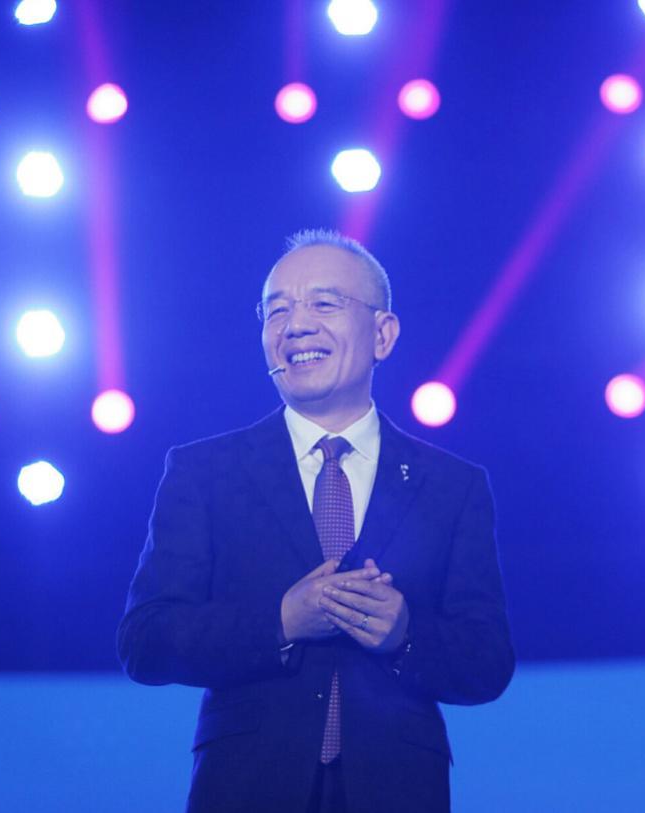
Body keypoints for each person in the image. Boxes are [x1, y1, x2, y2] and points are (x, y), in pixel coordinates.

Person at [117, 229, 515, 813]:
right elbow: (145, 641)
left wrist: (405, 634)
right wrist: (280, 621)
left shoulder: (452, 486)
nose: (295, 326)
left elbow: (487, 662)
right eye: (276, 311)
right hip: (245, 790)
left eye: (324, 303)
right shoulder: (204, 472)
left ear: (383, 334)